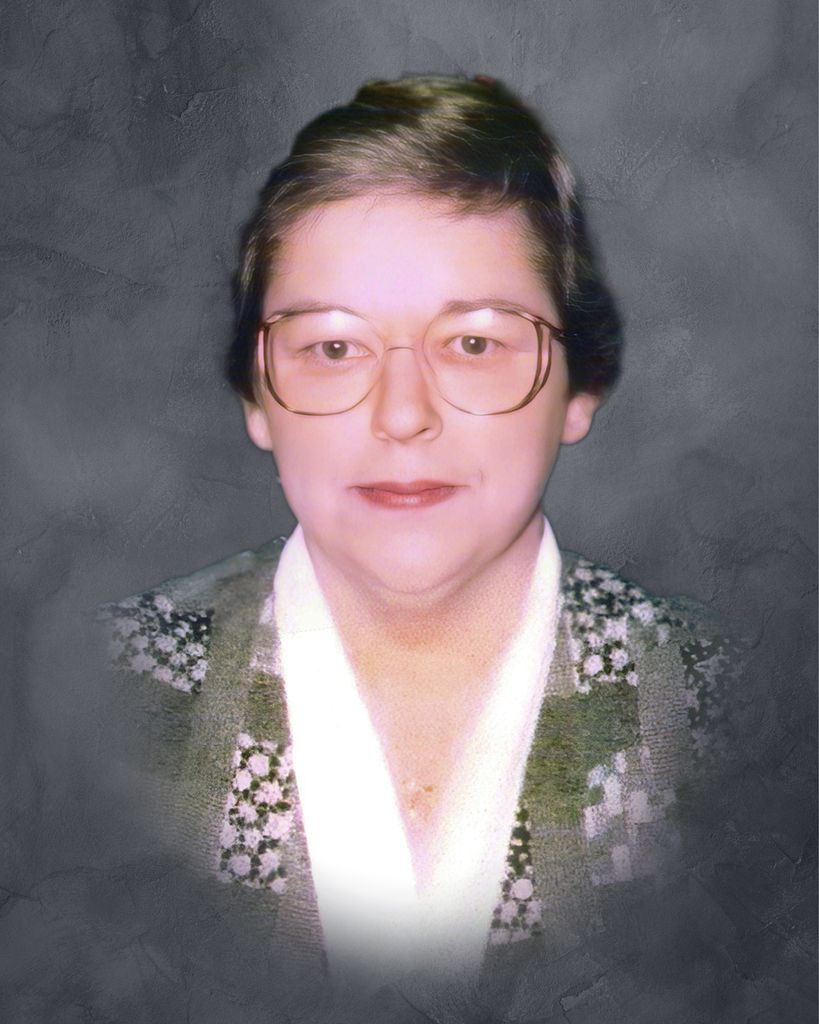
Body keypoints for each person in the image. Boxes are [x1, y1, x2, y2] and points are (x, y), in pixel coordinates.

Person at [100, 75, 742, 1006]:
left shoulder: (741, 718)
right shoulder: (92, 702)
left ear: (580, 387)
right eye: (332, 347)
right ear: (255, 397)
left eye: (474, 343)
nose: (402, 415)